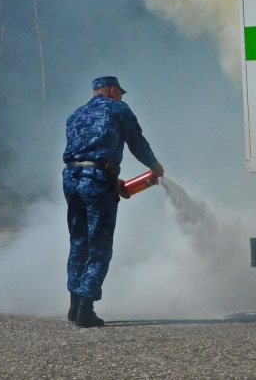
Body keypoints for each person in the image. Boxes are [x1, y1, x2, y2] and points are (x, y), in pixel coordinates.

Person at [62, 76, 165, 328]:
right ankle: (87, 308)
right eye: (120, 93)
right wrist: (154, 166)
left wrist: (112, 179)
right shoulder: (118, 108)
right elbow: (136, 143)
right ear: (113, 91)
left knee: (78, 240)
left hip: (71, 178)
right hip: (97, 180)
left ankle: (74, 305)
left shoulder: (76, 114)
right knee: (99, 243)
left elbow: (86, 154)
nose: (121, 98)